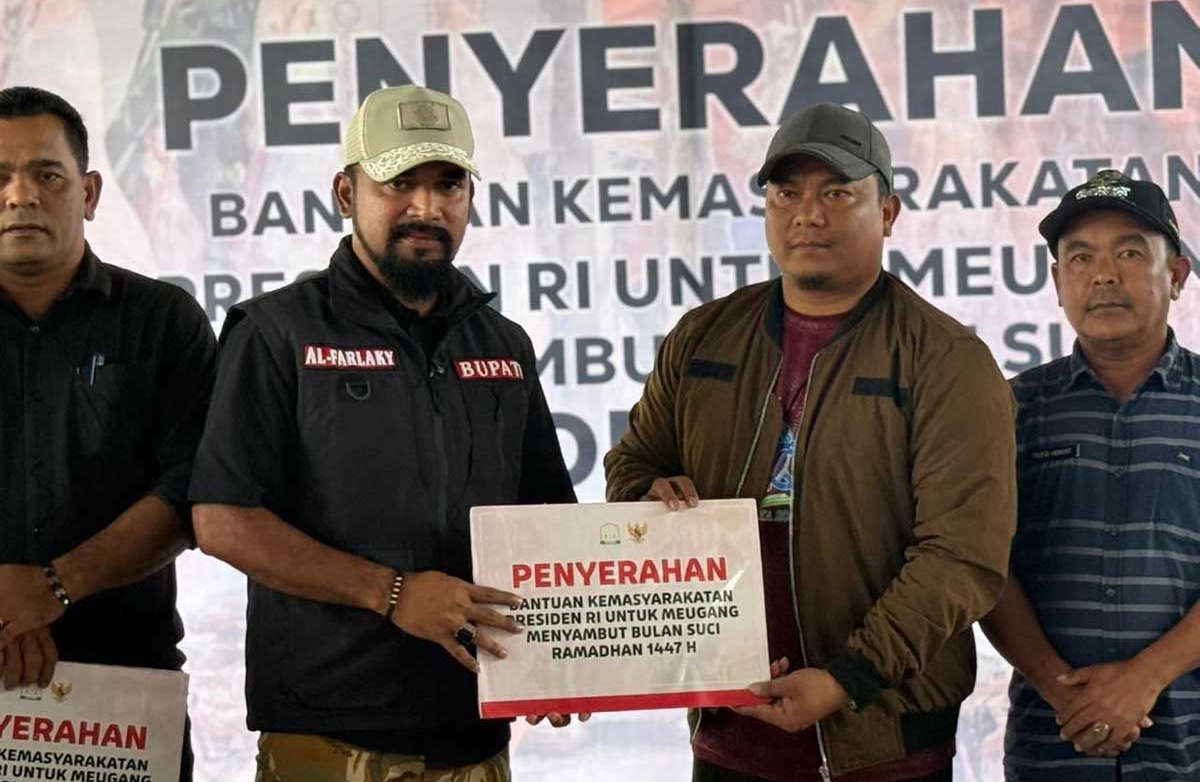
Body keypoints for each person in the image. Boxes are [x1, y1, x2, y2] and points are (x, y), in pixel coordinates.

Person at [605, 102, 1017, 781]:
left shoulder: (945, 359)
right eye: (786, 193)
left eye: (837, 193)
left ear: (888, 211)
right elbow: (634, 462)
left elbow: (962, 555)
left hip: (884, 745)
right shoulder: (704, 337)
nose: (808, 215)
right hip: (728, 734)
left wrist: (846, 678)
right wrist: (646, 495)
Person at [188, 84, 577, 782]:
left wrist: (563, 657)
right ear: (346, 193)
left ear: (471, 196)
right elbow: (223, 521)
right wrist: (391, 593)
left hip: (476, 737)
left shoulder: (503, 342)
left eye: (448, 184)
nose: (426, 207)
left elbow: (546, 517)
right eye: (399, 182)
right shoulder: (276, 332)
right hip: (330, 736)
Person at [0, 86, 215, 781]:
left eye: (47, 174)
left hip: (123, 695)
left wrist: (54, 587)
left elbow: (194, 489)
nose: (20, 196)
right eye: (0, 177)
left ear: (89, 193)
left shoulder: (164, 321)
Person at [980, 170, 1199, 782]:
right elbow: (982, 564)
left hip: (1189, 747)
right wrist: (1063, 691)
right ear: (1057, 282)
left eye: (1129, 253)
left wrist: (1146, 678)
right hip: (1051, 746)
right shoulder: (1009, 409)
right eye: (1081, 257)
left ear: (1177, 275)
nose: (1103, 275)